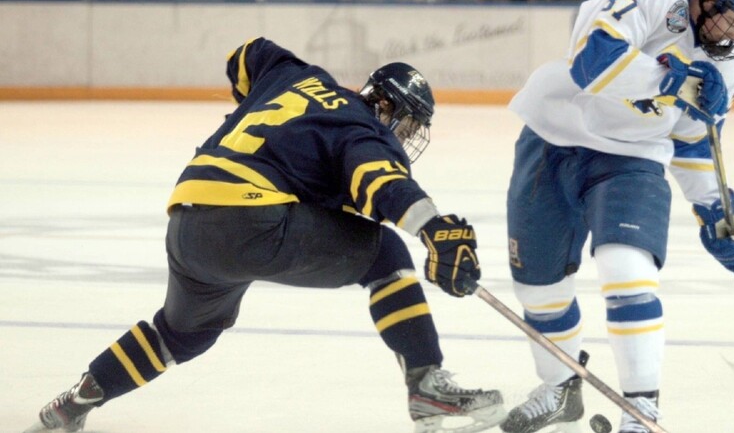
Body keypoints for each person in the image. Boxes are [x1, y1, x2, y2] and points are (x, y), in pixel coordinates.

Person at [25, 37, 505, 433]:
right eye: (405, 122)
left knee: (183, 334)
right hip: (250, 221)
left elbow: (246, 54)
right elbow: (382, 181)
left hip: (187, 220)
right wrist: (434, 228)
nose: (402, 136)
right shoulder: (364, 128)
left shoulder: (298, 76)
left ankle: (76, 402)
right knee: (386, 254)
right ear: (382, 103)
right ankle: (425, 386)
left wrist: (258, 105)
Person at [500, 0, 734, 432]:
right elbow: (594, 59)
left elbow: (693, 142)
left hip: (634, 156)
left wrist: (716, 210)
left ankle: (641, 410)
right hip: (554, 135)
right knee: (538, 289)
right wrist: (674, 80)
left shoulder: (728, 61)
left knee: (626, 269)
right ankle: (559, 386)